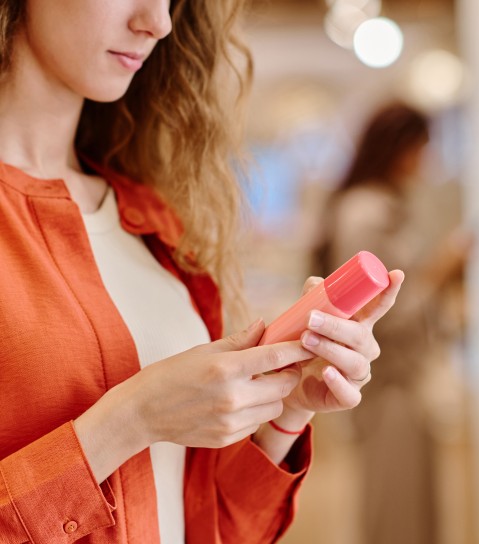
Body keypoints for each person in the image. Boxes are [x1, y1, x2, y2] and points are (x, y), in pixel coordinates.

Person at [0, 2, 404, 543]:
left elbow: (209, 525)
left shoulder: (149, 222)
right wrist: (127, 421)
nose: (159, 23)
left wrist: (285, 411)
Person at [313, 102, 470, 544]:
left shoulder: (378, 204)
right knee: (395, 505)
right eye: (422, 147)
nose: (426, 159)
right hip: (385, 379)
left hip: (401, 377)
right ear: (401, 147)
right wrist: (440, 271)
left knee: (410, 499)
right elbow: (374, 308)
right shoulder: (366, 210)